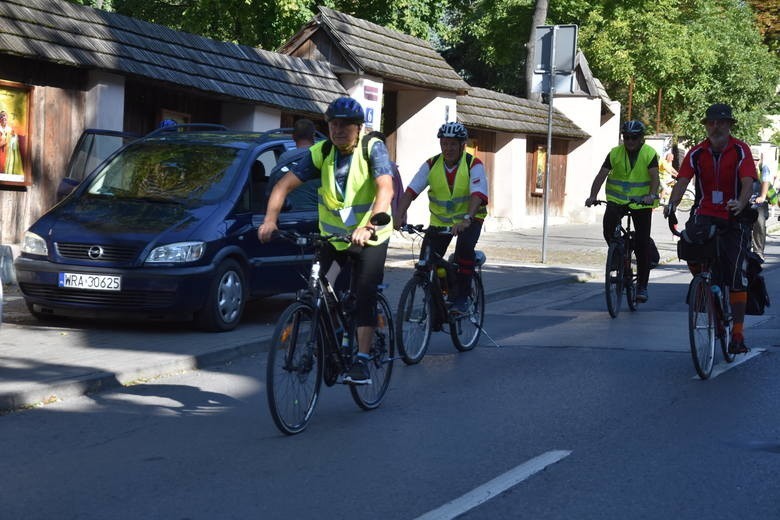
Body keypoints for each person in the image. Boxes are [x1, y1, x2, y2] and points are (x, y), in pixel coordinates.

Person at [258, 97, 394, 384]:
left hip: (369, 238)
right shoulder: (322, 152)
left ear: (358, 128)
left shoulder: (372, 148)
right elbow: (283, 186)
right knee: (321, 288)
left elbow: (385, 188)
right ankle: (333, 346)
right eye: (333, 124)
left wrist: (369, 225)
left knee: (364, 292)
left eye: (345, 125)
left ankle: (362, 360)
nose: (338, 130)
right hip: (334, 239)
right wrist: (270, 220)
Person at [664, 103, 757, 354]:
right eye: (711, 123)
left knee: (737, 272)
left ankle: (737, 334)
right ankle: (705, 286)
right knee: (687, 245)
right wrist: (672, 204)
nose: (716, 127)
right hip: (704, 213)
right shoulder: (697, 152)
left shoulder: (740, 150)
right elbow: (683, 180)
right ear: (706, 126)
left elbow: (748, 180)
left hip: (733, 214)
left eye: (721, 122)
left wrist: (741, 201)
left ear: (729, 125)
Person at [394, 121, 489, 315]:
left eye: (453, 144)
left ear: (463, 145)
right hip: (440, 222)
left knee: (464, 248)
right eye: (444, 143)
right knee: (426, 262)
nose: (448, 148)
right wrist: (398, 215)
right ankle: (440, 297)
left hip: (470, 219)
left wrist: (466, 218)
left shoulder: (473, 165)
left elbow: (477, 194)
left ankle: (462, 297)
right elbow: (411, 191)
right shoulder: (431, 165)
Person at [585, 120, 660, 303]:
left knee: (642, 244)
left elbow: (655, 178)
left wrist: (651, 195)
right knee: (608, 227)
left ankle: (642, 286)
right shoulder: (615, 153)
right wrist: (592, 196)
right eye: (626, 137)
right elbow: (601, 175)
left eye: (634, 137)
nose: (630, 141)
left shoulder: (649, 153)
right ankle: (619, 255)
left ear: (641, 139)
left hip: (641, 203)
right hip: (617, 200)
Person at [750, 146, 775, 261]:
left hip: (759, 201)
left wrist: (763, 196)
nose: (754, 161)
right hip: (745, 200)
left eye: (756, 159)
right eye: (752, 159)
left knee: (759, 222)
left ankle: (758, 251)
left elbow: (765, 182)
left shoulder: (763, 168)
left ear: (759, 160)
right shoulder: (743, 167)